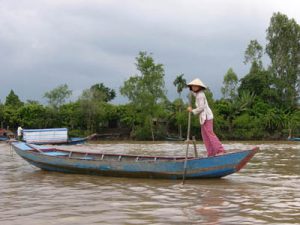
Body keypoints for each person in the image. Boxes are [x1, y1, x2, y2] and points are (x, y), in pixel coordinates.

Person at [187, 78, 225, 157]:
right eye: (193, 86)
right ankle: (211, 153)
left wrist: (192, 110)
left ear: (199, 87)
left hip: (207, 117)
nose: (194, 88)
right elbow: (194, 94)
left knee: (210, 134)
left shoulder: (200, 95)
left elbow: (201, 107)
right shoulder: (198, 94)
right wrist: (191, 92)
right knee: (205, 136)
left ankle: (220, 150)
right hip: (203, 118)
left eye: (196, 86)